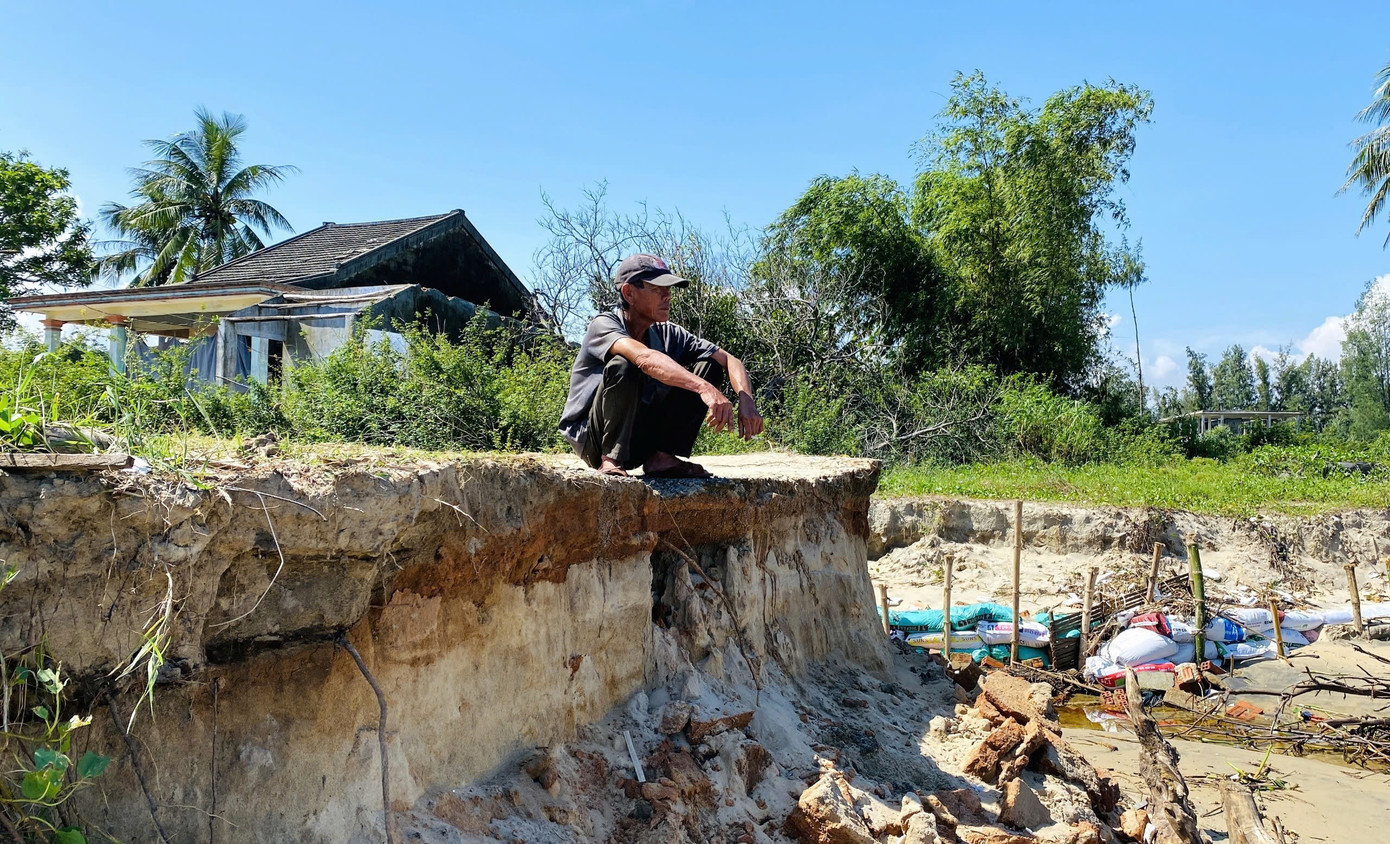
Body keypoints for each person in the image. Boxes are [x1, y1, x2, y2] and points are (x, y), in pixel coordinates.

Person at [558, 253, 763, 478]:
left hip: (638, 439)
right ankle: (611, 460)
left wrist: (746, 400)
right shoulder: (604, 324)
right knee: (624, 363)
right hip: (593, 439)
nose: (668, 296)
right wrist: (704, 388)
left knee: (710, 365)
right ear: (629, 293)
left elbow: (728, 359)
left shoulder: (668, 333)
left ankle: (662, 458)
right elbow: (644, 358)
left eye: (669, 289)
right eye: (657, 289)